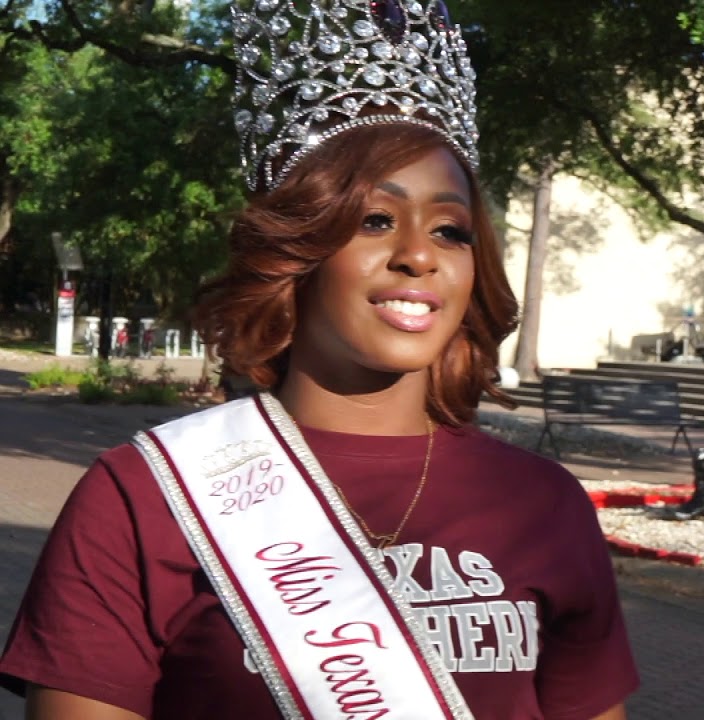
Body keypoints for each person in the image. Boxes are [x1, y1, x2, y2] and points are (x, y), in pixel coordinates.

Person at [0, 1, 638, 718]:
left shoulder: (544, 506)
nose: (419, 254)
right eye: (374, 220)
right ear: (296, 250)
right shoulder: (145, 498)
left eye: (451, 229)